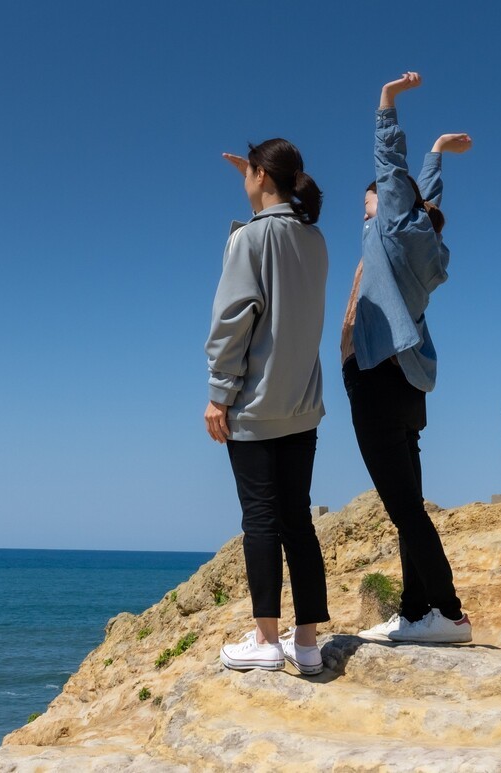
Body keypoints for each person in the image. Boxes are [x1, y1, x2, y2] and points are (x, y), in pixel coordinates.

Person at [343, 71, 475, 645]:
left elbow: (392, 169)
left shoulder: (390, 230)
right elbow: (427, 199)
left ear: (389, 203)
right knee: (407, 505)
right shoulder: (425, 240)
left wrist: (386, 103)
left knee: (403, 509)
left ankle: (448, 612)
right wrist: (438, 155)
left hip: (376, 378)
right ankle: (417, 610)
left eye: (372, 194)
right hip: (411, 385)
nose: (367, 198)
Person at [205, 137, 332, 675]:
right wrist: (260, 188)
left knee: (260, 521)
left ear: (260, 175)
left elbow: (233, 320)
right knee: (296, 520)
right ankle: (306, 645)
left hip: (254, 406)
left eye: (249, 174)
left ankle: (265, 641)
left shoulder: (250, 240)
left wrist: (218, 395)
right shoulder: (315, 238)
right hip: (302, 403)